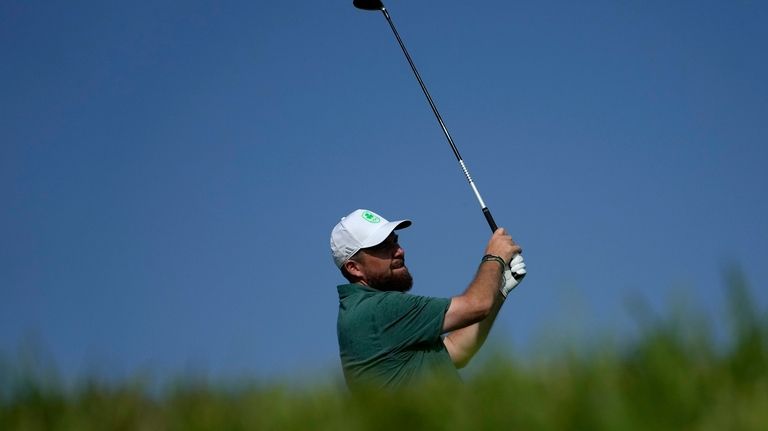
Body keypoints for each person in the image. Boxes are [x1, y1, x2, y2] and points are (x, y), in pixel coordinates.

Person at [330, 208, 526, 390]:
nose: (399, 251)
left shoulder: (365, 310)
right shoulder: (376, 309)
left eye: (394, 241)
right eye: (383, 247)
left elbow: (455, 351)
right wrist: (495, 256)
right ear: (354, 268)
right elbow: (477, 305)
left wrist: (498, 291)